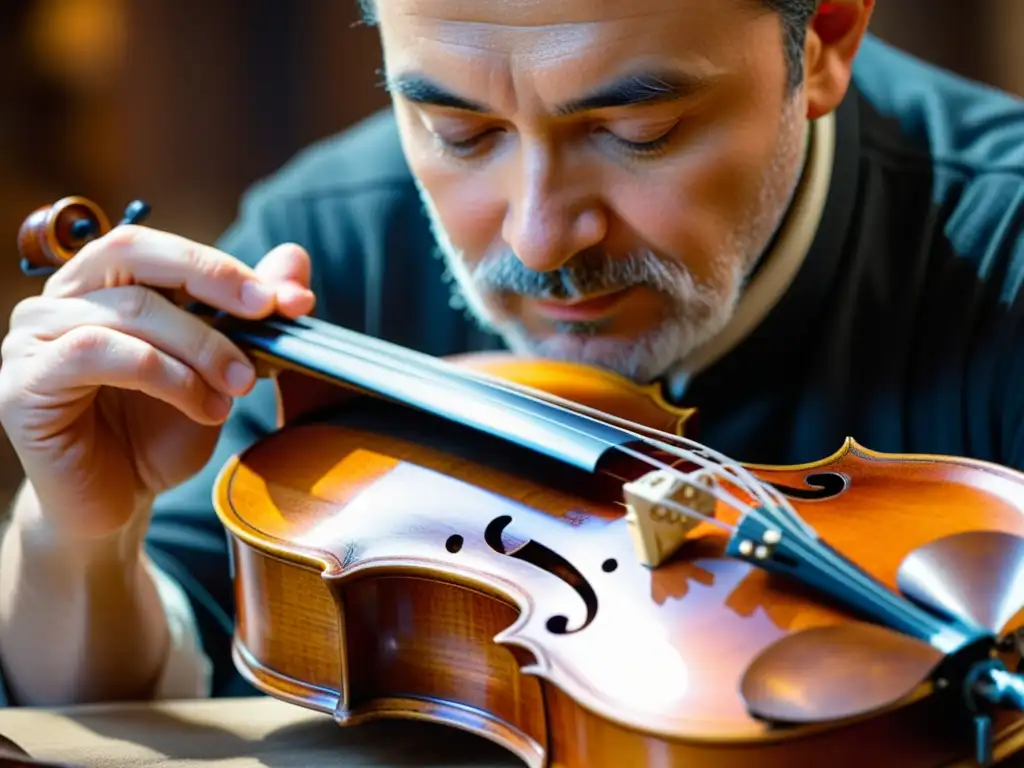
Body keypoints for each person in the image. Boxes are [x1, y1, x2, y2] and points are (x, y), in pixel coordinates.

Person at [0, 0, 1020, 707]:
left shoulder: (1003, 249)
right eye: (457, 130)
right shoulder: (325, 242)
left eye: (638, 129)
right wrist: (81, 535)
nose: (537, 238)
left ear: (825, 42)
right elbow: (139, 681)